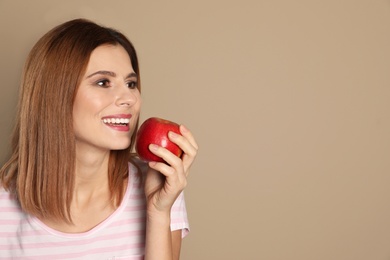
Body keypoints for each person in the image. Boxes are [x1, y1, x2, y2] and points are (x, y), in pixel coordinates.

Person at [0, 18, 198, 259]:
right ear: (54, 96)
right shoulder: (4, 208)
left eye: (131, 83)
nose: (129, 98)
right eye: (103, 82)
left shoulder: (158, 185)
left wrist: (158, 212)